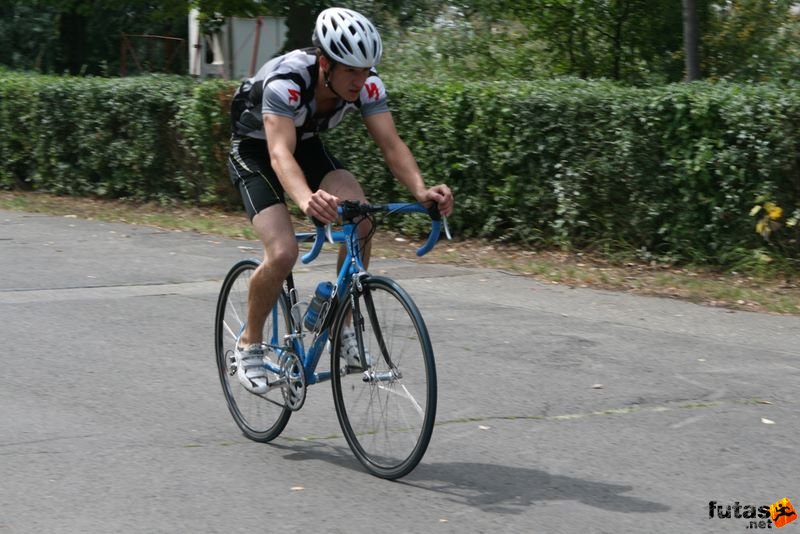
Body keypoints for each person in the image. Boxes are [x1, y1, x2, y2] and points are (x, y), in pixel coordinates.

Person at [227, 7, 454, 394]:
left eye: (366, 70)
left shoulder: (366, 85)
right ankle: (249, 343)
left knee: (361, 217)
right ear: (325, 63)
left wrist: (421, 189)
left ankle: (340, 322)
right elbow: (280, 154)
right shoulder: (286, 82)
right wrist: (305, 199)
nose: (359, 80)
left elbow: (391, 144)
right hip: (256, 150)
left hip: (307, 144)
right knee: (282, 253)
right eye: (350, 71)